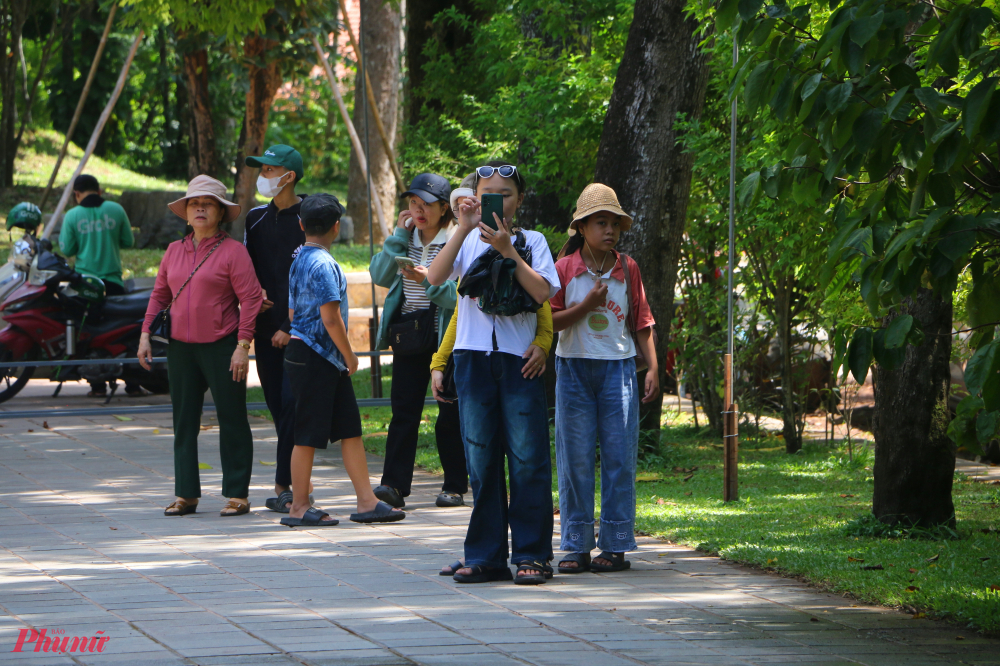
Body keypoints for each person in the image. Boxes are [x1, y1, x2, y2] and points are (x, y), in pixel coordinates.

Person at [427, 161, 561, 585]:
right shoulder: (463, 238)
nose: (497, 200)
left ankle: (532, 555)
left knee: (527, 459)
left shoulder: (533, 241)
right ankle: (485, 555)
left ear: (519, 200)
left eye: (505, 193)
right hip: (472, 358)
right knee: (481, 462)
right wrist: (464, 227)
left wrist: (507, 250)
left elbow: (542, 292)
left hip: (518, 360)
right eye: (488, 192)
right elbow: (434, 277)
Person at [138, 175, 264, 517]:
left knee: (232, 417)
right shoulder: (173, 251)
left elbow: (251, 299)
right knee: (183, 421)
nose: (200, 209)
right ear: (186, 211)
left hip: (223, 344)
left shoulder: (233, 252)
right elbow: (160, 294)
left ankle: (237, 494)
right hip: (180, 347)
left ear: (221, 212)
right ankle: (186, 494)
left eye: (207, 204)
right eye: (194, 203)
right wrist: (145, 333)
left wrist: (243, 344)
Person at [550, 183, 659, 574]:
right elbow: (550, 321)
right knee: (575, 459)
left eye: (615, 223)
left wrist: (653, 369)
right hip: (574, 368)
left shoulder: (626, 269)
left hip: (619, 370)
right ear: (581, 227)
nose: (609, 230)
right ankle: (576, 544)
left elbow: (643, 322)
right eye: (601, 222)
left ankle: (615, 545)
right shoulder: (564, 269)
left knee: (619, 459)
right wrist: (586, 306)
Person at [280, 193, 405, 527]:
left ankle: (367, 502)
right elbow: (330, 317)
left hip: (316, 356)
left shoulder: (299, 259)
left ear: (301, 224)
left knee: (350, 429)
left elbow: (292, 312)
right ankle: (298, 506)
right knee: (306, 433)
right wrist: (350, 354)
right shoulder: (323, 264)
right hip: (316, 356)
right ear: (337, 227)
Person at [369, 173, 464, 509]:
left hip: (445, 336)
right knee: (403, 412)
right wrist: (397, 235)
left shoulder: (457, 239)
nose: (419, 210)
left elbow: (458, 298)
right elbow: (380, 275)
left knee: (449, 412)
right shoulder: (404, 238)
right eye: (413, 202)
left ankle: (454, 485)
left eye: (427, 204)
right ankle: (393, 486)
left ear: (444, 208)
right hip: (409, 333)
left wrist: (427, 282)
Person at [243, 144, 309, 513]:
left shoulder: (311, 214)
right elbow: (246, 270)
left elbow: (315, 277)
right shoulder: (254, 218)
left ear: (290, 175)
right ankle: (299, 482)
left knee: (291, 405)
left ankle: (285, 485)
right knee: (276, 404)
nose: (263, 175)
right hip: (264, 330)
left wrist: (290, 323)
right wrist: (254, 299)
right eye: (262, 169)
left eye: (270, 169)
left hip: (301, 329)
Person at [59, 174, 139, 397]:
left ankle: (97, 385)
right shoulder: (116, 209)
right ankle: (132, 382)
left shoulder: (72, 215)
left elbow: (67, 250)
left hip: (86, 286)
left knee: (89, 333)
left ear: (76, 194)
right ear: (99, 191)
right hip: (113, 283)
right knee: (123, 333)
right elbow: (128, 242)